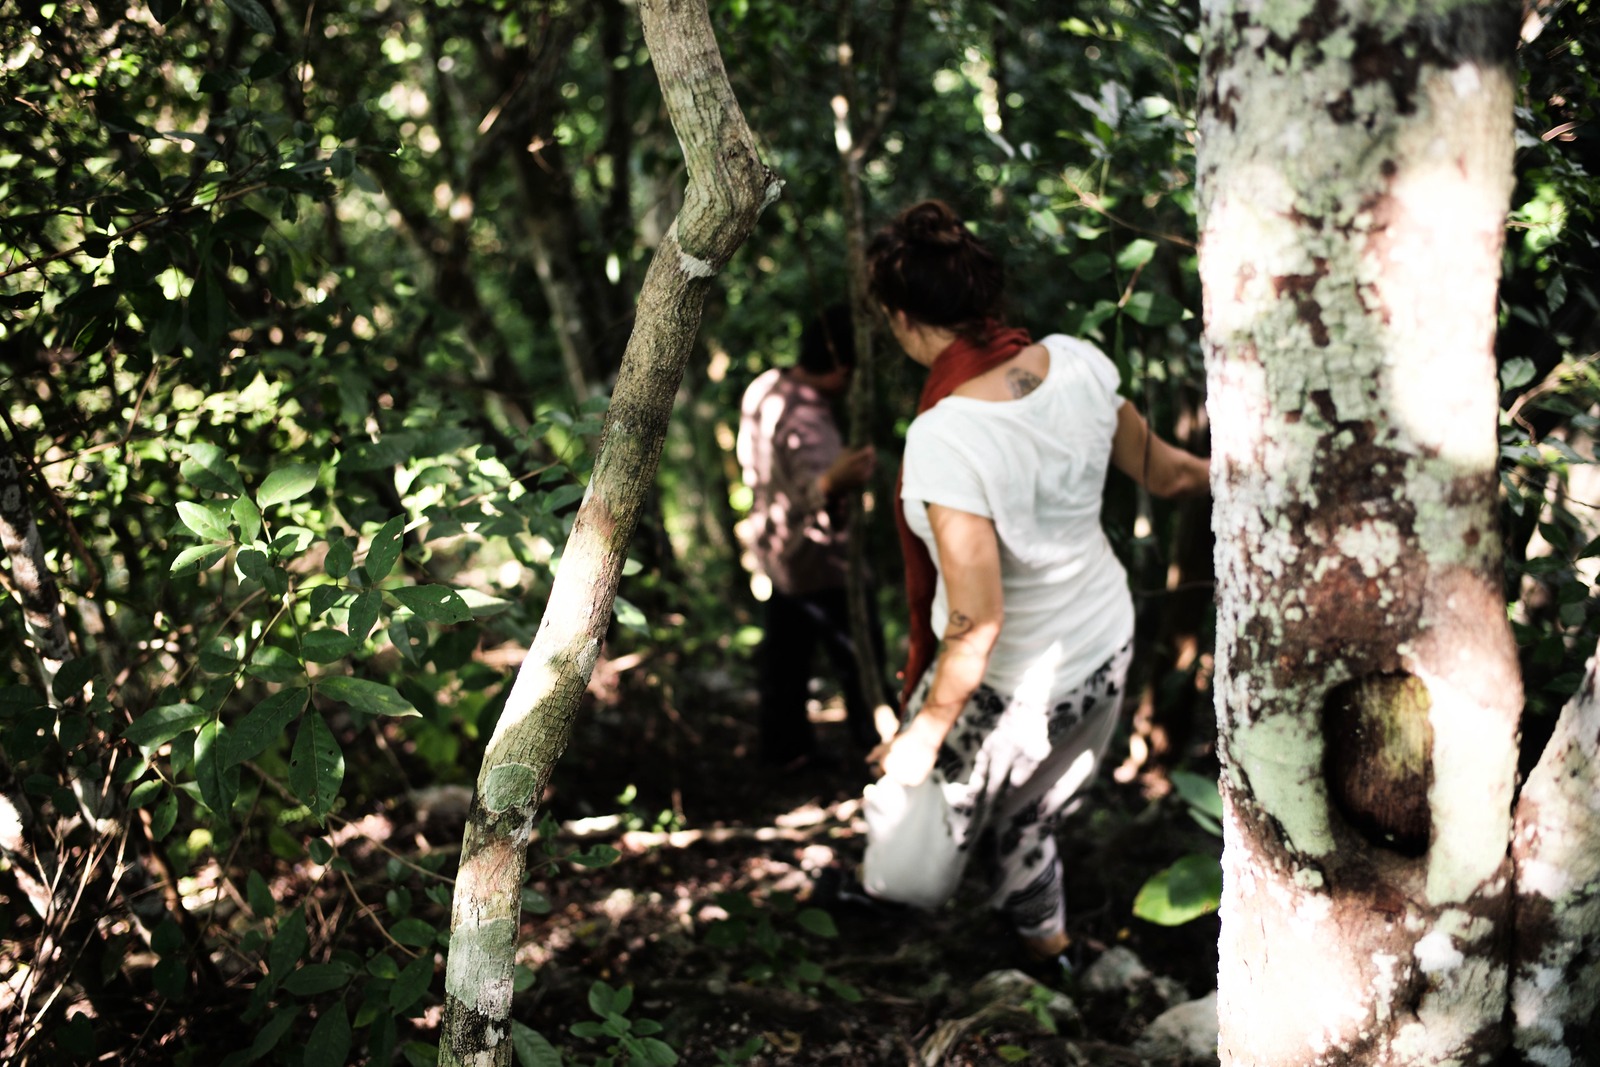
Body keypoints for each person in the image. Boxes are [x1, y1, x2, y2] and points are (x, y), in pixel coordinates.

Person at [858, 200, 1210, 964]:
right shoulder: (1077, 359)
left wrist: (921, 737)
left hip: (1015, 680)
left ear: (904, 318)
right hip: (1104, 642)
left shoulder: (945, 435)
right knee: (1031, 813)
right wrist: (1264, 475)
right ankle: (1049, 949)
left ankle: (1032, 956)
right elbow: (1170, 473)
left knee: (917, 837)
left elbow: (976, 621)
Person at [737, 305, 892, 770]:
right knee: (859, 660)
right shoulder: (806, 418)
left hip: (780, 555)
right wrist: (836, 482)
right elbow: (814, 487)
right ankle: (875, 745)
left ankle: (786, 753)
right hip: (822, 560)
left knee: (785, 663)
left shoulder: (765, 386)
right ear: (842, 367)